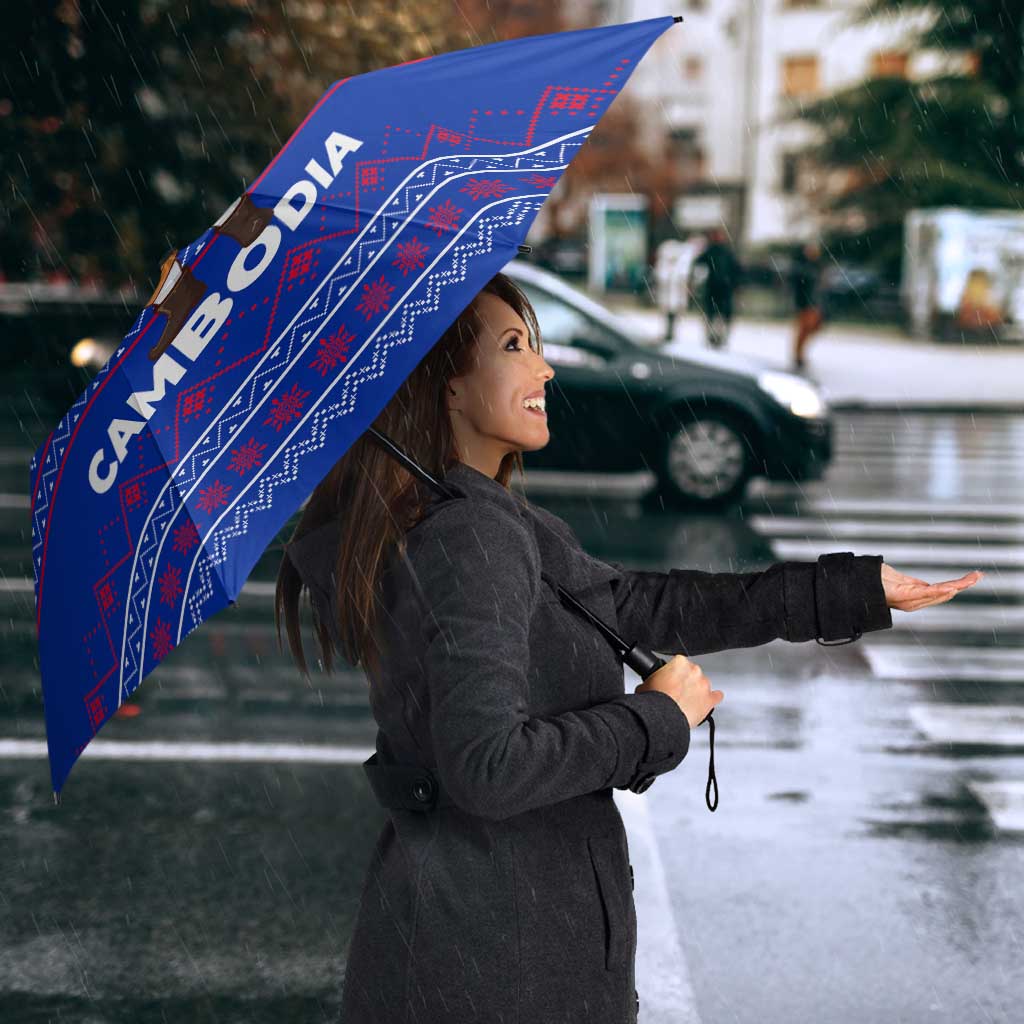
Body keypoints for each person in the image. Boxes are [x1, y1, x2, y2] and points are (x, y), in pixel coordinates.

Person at [276, 272, 982, 1024]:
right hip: (497, 963)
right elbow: (487, 767)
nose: (544, 368)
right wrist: (655, 719)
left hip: (477, 944)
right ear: (446, 388)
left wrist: (849, 590)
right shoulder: (470, 537)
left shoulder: (478, 519)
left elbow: (643, 606)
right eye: (515, 346)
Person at [692, 226, 742, 349]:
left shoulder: (725, 252)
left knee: (720, 315)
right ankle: (713, 337)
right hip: (715, 288)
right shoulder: (712, 251)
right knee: (713, 314)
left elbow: (736, 270)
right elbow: (698, 264)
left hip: (723, 288)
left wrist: (735, 284)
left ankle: (719, 337)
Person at [790, 239, 826, 370]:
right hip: (805, 303)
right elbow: (799, 286)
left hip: (814, 303)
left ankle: (799, 354)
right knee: (804, 329)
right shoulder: (802, 267)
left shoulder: (817, 266)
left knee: (812, 328)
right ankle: (798, 355)